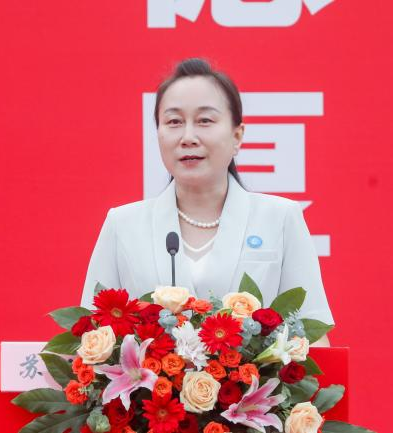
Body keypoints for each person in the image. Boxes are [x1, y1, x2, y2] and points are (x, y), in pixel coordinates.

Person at [81, 58, 333, 346]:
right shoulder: (123, 224)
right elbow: (92, 338)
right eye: (174, 122)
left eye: (205, 121)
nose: (188, 137)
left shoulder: (280, 217)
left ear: (237, 135)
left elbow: (312, 337)